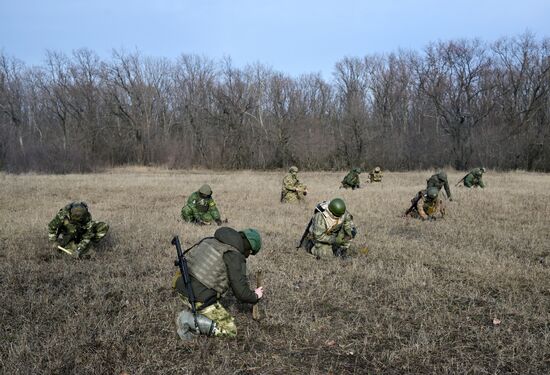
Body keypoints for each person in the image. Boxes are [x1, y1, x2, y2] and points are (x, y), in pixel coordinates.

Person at [172, 227, 263, 340]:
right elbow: (241, 293)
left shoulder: (211, 240)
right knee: (230, 330)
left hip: (180, 284)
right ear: (249, 248)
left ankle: (194, 316)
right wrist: (255, 296)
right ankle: (187, 319)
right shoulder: (234, 255)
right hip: (196, 295)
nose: (248, 256)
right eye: (250, 253)